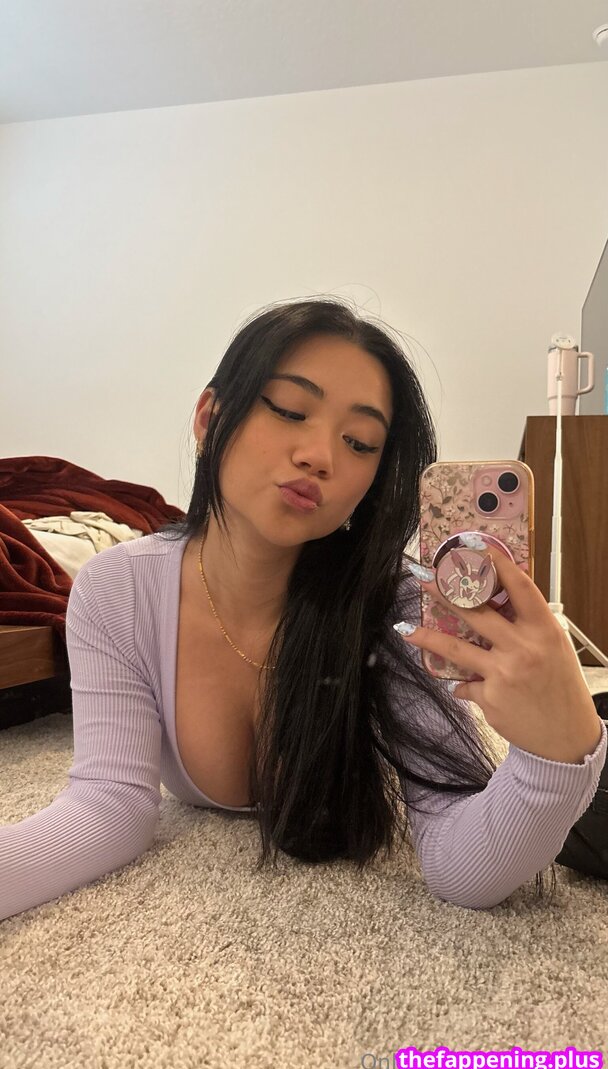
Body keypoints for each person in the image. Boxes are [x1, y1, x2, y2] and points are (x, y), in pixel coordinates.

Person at [1, 297, 605, 922]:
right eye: (290, 410)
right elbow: (108, 805)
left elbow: (460, 865)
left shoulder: (395, 605)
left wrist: (555, 755)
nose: (321, 455)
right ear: (209, 418)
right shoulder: (117, 589)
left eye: (360, 442)